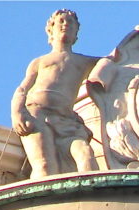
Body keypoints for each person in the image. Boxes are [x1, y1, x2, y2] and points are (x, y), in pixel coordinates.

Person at [12, 10, 97, 178]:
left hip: (66, 120)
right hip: (36, 115)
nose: (66, 24)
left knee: (85, 154)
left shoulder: (85, 61)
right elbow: (22, 89)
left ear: (76, 33)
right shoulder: (40, 61)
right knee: (44, 166)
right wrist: (16, 112)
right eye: (61, 21)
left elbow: (116, 62)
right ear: (50, 30)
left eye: (70, 23)